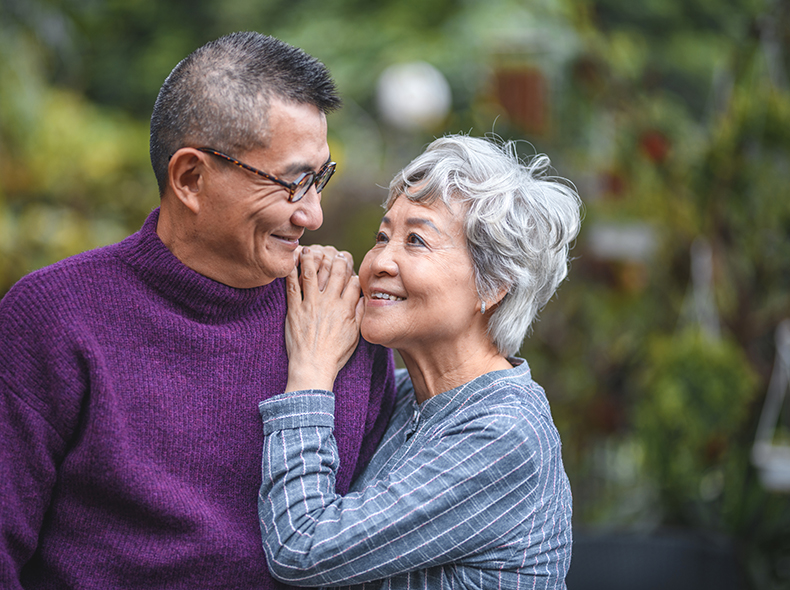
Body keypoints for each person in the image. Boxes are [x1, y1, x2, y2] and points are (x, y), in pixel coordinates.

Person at [0, 32, 395, 589]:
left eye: (320, 179)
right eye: (293, 183)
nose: (314, 214)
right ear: (190, 178)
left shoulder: (337, 320)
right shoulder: (54, 318)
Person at [257, 134, 581, 589]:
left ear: (494, 285)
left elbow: (303, 548)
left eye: (416, 241)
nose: (380, 262)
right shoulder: (407, 395)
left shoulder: (506, 432)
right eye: (382, 236)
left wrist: (310, 372)